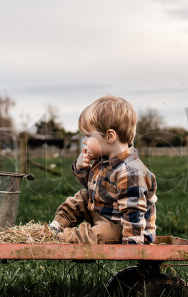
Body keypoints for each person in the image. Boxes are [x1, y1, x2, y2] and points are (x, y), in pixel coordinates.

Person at [49, 95, 157, 244]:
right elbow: (93, 188)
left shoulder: (130, 171)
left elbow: (134, 212)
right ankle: (55, 227)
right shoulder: (104, 161)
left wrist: (133, 245)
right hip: (104, 214)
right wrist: (81, 168)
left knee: (94, 235)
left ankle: (58, 239)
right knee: (82, 196)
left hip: (123, 228)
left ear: (110, 136)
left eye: (88, 136)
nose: (85, 142)